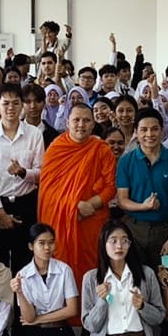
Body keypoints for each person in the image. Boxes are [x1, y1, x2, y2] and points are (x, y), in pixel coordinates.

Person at [38, 103, 117, 283]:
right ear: (67, 122)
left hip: (92, 220)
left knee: (92, 268)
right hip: (61, 222)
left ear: (93, 124)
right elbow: (47, 192)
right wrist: (74, 205)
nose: (81, 125)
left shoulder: (102, 149)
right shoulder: (56, 149)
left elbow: (111, 187)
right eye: (76, 120)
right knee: (63, 270)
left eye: (86, 120)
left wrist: (90, 205)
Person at [0, 85, 45, 271]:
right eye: (5, 103)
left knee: (26, 260)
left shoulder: (34, 134)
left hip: (27, 203)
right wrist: (0, 212)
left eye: (16, 103)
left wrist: (23, 172)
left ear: (22, 106)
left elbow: (41, 173)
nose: (10, 108)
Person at [116, 107, 168, 264]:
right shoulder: (126, 161)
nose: (149, 134)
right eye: (144, 130)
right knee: (136, 273)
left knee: (167, 271)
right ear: (136, 132)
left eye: (155, 129)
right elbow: (122, 200)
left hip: (166, 230)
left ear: (162, 131)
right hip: (134, 230)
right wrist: (143, 206)